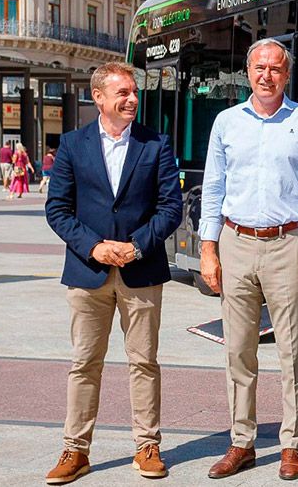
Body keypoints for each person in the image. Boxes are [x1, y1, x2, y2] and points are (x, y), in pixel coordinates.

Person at [198, 38, 298, 481]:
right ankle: (242, 442)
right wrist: (208, 247)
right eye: (259, 68)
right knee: (238, 350)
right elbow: (213, 188)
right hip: (236, 242)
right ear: (248, 71)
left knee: (292, 351)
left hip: (289, 244)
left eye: (275, 69)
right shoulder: (226, 122)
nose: (266, 75)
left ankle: (292, 445)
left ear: (287, 74)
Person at [43, 62, 182, 484]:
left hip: (142, 272)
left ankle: (147, 445)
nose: (132, 99)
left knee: (144, 362)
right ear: (98, 97)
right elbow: (57, 209)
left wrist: (137, 245)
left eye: (134, 92)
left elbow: (171, 208)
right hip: (88, 272)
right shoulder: (72, 145)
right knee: (85, 363)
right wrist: (95, 246)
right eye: (122, 92)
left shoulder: (156, 144)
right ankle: (75, 450)